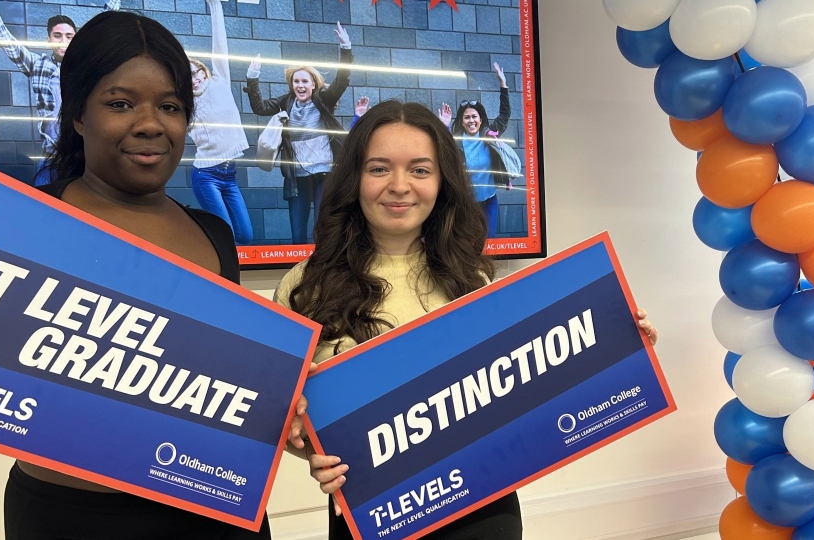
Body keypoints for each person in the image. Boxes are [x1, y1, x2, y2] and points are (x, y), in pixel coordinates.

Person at [0, 11, 271, 539]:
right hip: (67, 517)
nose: (151, 123)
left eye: (170, 106)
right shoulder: (17, 223)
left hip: (212, 511)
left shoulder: (214, 236)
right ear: (78, 116)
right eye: (120, 103)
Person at [274, 101, 659, 539]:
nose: (400, 186)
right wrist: (308, 452)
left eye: (420, 170)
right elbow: (284, 414)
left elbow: (534, 375)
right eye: (379, 168)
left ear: (442, 182)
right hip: (371, 512)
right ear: (354, 178)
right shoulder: (306, 285)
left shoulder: (472, 276)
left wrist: (619, 338)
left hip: (482, 510)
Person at [0, 0, 121, 186]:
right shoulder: (38, 65)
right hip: (51, 156)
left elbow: (102, 26)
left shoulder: (85, 66)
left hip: (82, 157)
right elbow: (7, 41)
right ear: (48, 40)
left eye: (69, 36)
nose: (64, 41)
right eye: (58, 36)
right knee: (43, 206)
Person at [245, 24, 352, 244]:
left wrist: (346, 47)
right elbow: (260, 108)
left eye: (305, 81)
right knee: (297, 232)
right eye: (296, 81)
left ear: (313, 84)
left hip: (325, 172)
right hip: (297, 176)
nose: (300, 85)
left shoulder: (324, 100)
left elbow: (342, 81)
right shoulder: (286, 102)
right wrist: (252, 77)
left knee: (322, 228)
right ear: (292, 85)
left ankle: (322, 269)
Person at [189, 0, 252, 244]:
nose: (194, 78)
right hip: (206, 175)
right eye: (187, 76)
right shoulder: (187, 105)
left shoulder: (220, 80)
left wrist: (216, 7)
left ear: (203, 70)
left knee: (245, 237)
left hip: (229, 173)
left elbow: (219, 45)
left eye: (195, 71)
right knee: (224, 236)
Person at [439, 63, 522, 238]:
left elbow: (504, 115)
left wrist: (503, 84)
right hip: (466, 204)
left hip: (490, 200)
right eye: (466, 117)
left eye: (474, 116)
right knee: (468, 243)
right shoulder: (456, 142)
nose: (471, 120)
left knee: (489, 242)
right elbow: (444, 147)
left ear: (480, 119)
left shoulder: (489, 135)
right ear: (461, 122)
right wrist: (444, 125)